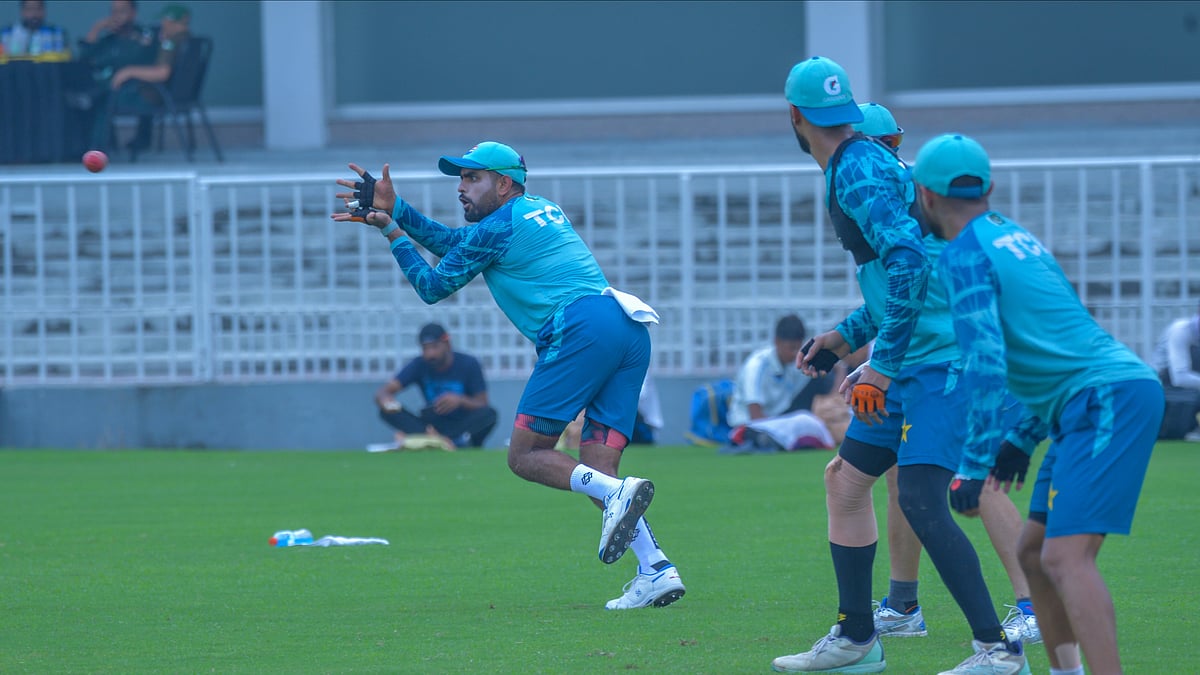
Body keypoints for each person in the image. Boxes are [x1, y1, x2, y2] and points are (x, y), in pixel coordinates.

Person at [331, 141, 685, 610]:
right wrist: (395, 209)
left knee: (525, 455)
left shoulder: (498, 225)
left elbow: (433, 287)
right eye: (459, 178)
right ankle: (656, 568)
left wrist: (395, 235)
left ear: (504, 183)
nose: (461, 188)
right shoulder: (535, 210)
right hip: (626, 326)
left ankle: (620, 494)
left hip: (579, 329)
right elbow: (457, 243)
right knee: (595, 471)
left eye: (471, 178)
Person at [770, 57, 1029, 675]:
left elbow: (912, 267)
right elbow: (903, 278)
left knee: (919, 496)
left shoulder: (855, 170)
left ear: (796, 116)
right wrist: (844, 335)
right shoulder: (864, 162)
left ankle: (998, 649)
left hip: (938, 361)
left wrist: (879, 364)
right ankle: (859, 637)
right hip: (919, 351)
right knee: (846, 480)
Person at [914, 132, 1164, 675]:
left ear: (925, 196)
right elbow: (1052, 343)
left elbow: (985, 362)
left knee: (1064, 558)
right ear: (990, 189)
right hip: (1087, 400)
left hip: (1103, 399)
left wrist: (975, 466)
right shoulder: (1014, 236)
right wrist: (1019, 439)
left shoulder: (962, 254)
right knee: (1033, 553)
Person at [853, 102, 1041, 646]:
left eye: (890, 145)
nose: (890, 158)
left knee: (970, 477)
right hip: (926, 364)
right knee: (901, 477)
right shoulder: (899, 208)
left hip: (958, 366)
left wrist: (873, 361)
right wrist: (865, 355)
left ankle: (1030, 606)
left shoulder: (909, 213)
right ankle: (903, 603)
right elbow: (901, 305)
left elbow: (924, 304)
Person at [721, 313, 839, 453]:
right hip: (751, 426)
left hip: (780, 422)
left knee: (808, 420)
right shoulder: (756, 366)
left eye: (798, 348)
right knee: (804, 420)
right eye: (791, 348)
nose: (795, 353)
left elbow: (832, 379)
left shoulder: (794, 364)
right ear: (777, 342)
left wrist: (839, 365)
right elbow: (755, 416)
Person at [374, 322, 499, 450]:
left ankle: (447, 441)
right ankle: (439, 440)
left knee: (489, 415)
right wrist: (386, 402)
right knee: (386, 412)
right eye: (425, 349)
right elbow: (384, 391)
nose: (430, 354)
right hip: (433, 425)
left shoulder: (468, 363)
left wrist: (460, 400)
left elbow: (482, 403)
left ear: (447, 344)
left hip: (462, 422)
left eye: (434, 347)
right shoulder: (419, 364)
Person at [100, 3, 192, 156]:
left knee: (103, 99)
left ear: (176, 23)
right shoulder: (188, 41)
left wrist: (129, 71)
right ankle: (134, 141)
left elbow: (162, 73)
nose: (163, 25)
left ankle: (97, 148)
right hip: (168, 95)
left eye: (167, 22)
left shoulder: (171, 42)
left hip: (156, 96)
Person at [70, 0, 157, 149]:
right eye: (114, 12)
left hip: (135, 88)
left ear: (133, 13)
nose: (117, 16)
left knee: (100, 99)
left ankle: (96, 149)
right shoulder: (110, 39)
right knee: (83, 93)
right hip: (108, 86)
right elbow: (84, 58)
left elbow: (134, 58)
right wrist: (96, 29)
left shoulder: (144, 35)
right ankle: (79, 147)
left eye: (122, 11)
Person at [1151, 303, 1200, 440]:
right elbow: (1180, 377)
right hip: (1165, 388)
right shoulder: (1180, 330)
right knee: (1172, 434)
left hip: (1190, 389)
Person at [1, 0, 68, 57]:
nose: (34, 14)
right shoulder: (7, 34)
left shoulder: (56, 34)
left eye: (38, 9)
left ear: (44, 10)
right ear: (22, 11)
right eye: (30, 9)